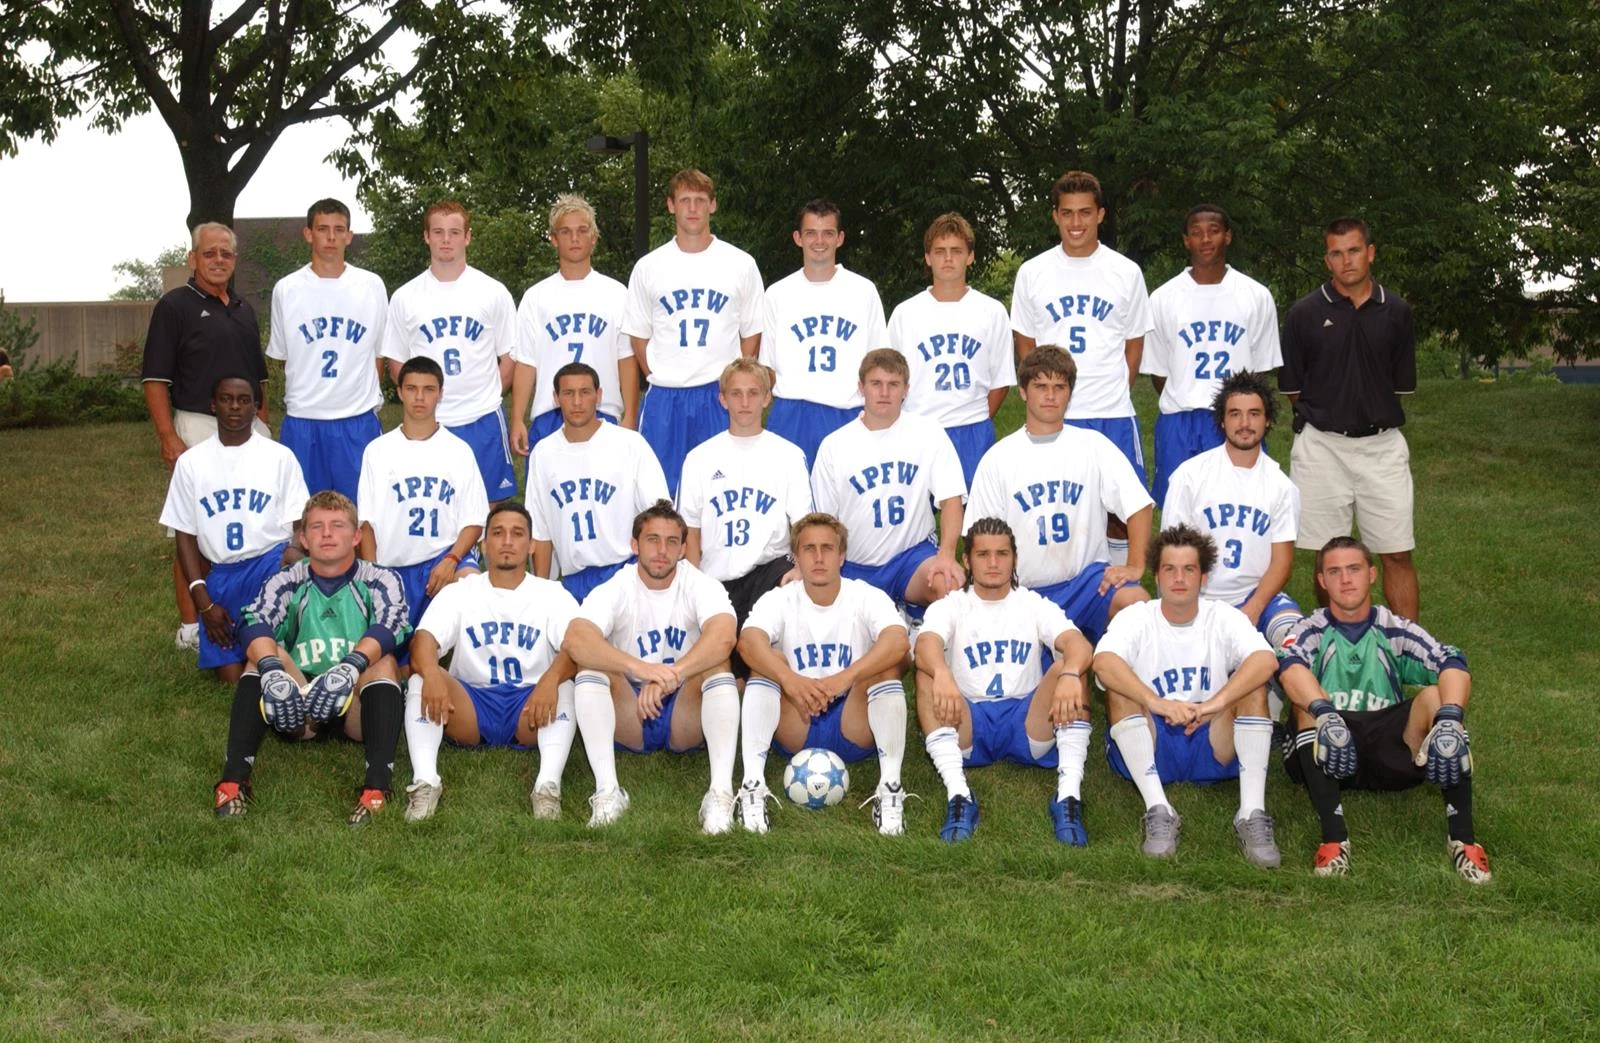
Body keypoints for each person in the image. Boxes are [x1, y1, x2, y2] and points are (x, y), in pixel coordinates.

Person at [1276, 536, 1489, 882]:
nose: (1345, 579)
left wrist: (1450, 717)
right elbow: (1289, 667)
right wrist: (1325, 711)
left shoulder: (1394, 628)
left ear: (1372, 574)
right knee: (1306, 710)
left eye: (1354, 569)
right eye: (1335, 571)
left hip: (1387, 750)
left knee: (1437, 699)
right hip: (1326, 748)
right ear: (1321, 581)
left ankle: (1464, 841)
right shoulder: (1310, 629)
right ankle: (1334, 841)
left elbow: (1451, 659)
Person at [212, 491, 410, 826]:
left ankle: (376, 789)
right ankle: (233, 782)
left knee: (385, 662)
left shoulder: (379, 578)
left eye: (337, 525)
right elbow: (252, 620)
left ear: (357, 535)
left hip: (356, 707)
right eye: (317, 527)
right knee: (262, 657)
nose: (327, 533)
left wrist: (349, 668)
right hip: (297, 708)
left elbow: (393, 624)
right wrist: (273, 672)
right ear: (303, 538)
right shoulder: (287, 579)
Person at [1094, 524, 1281, 866]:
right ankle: (1158, 809)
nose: (1179, 578)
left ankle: (1251, 812)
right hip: (1153, 742)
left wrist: (1214, 705)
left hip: (1211, 739)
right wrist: (1157, 703)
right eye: (1170, 569)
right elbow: (1103, 663)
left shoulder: (1222, 616)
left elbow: (1265, 660)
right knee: (1120, 688)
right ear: (1157, 576)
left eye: (1189, 569)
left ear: (1203, 577)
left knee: (1254, 685)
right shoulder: (1137, 617)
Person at [914, 518, 1094, 844]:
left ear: (1015, 559)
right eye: (983, 555)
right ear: (967, 561)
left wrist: (1068, 673)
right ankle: (959, 795)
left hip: (1027, 721)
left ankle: (1068, 797)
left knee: (1073, 667)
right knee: (927, 673)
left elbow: (1078, 644)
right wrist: (942, 674)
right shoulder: (952, 605)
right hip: (968, 719)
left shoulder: (1032, 603)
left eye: (1002, 554)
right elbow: (925, 643)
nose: (994, 563)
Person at [562, 501, 739, 831]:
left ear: (684, 549)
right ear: (634, 545)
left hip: (684, 712)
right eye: (652, 539)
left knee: (718, 667)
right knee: (591, 670)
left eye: (672, 542)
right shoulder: (618, 586)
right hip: (630, 711)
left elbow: (724, 636)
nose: (662, 550)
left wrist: (672, 676)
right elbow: (575, 639)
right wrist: (642, 670)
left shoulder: (700, 584)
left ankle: (720, 795)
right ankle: (608, 791)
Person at [402, 501, 581, 822]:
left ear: (530, 546)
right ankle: (425, 782)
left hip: (530, 706)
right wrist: (430, 672)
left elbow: (576, 648)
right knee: (421, 678)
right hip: (470, 704)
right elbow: (424, 641)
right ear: (484, 545)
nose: (507, 541)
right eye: (498, 533)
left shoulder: (551, 593)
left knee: (566, 682)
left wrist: (551, 680)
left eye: (517, 534)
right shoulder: (462, 591)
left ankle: (547, 786)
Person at [1281, 217, 1420, 620]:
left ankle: (1409, 649)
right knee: (1330, 556)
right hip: (1321, 446)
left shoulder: (1396, 311)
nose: (1347, 261)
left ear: (1370, 252)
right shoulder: (1304, 313)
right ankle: (1336, 649)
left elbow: (1398, 385)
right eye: (1337, 253)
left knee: (1396, 551)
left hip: (1382, 446)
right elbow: (1293, 387)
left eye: (1354, 250)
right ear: (1327, 260)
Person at [141, 221, 271, 650]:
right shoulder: (174, 306)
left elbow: (259, 378)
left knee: (250, 520)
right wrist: (167, 434)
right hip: (197, 424)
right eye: (209, 253)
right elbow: (155, 379)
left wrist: (263, 424)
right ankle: (190, 627)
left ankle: (254, 611)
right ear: (193, 259)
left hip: (248, 427)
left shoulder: (242, 308)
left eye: (226, 254)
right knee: (192, 527)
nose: (219, 260)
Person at [737, 513, 911, 834]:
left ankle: (889, 789)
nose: (819, 558)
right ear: (796, 558)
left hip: (853, 719)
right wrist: (792, 681)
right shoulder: (780, 599)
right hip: (796, 719)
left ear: (842, 556)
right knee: (767, 660)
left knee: (886, 666)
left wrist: (843, 678)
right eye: (809, 549)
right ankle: (752, 785)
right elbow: (748, 642)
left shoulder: (864, 595)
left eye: (828, 548)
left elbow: (899, 641)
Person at [965, 346, 1151, 643]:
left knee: (1136, 603)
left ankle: (1116, 668)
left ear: (1070, 393)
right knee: (1056, 679)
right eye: (1040, 386)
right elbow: (978, 536)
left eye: (1059, 387)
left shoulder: (1094, 446)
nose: (1050, 395)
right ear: (1023, 392)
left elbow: (1139, 506)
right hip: (1024, 591)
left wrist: (1135, 565)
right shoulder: (998, 458)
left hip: (1087, 584)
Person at [1009, 170, 1152, 538]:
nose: (1076, 222)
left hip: (1111, 412)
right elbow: (1025, 342)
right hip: (1054, 414)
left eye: (1085, 212)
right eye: (1068, 212)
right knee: (1057, 510)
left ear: (1100, 215)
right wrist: (1040, 394)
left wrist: (1116, 386)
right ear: (1055, 215)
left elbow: (1133, 343)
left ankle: (1119, 588)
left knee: (1122, 517)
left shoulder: (1126, 272)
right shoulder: (1033, 272)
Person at [621, 169, 765, 495]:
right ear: (671, 205)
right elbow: (638, 334)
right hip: (666, 396)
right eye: (685, 200)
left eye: (700, 200)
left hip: (718, 394)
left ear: (712, 205)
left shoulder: (740, 263)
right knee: (660, 494)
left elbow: (752, 331)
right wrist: (656, 372)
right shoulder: (649, 266)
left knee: (724, 489)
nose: (693, 209)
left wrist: (736, 382)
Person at [159, 376, 308, 684]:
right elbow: (184, 535)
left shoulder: (279, 457)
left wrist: (293, 551)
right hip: (223, 575)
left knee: (271, 664)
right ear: (213, 405)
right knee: (233, 678)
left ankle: (287, 639)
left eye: (243, 400)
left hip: (268, 565)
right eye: (226, 399)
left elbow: (299, 522)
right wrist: (204, 601)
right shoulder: (191, 463)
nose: (235, 407)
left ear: (256, 407)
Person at [677, 358, 814, 679]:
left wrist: (799, 570)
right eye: (736, 394)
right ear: (722, 398)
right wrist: (693, 586)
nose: (745, 402)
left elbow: (805, 526)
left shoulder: (788, 455)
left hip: (770, 573)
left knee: (767, 665)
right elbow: (690, 533)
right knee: (721, 676)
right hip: (716, 578)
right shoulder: (699, 458)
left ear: (768, 397)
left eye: (754, 393)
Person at [1142, 205, 1282, 506]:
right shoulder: (1163, 298)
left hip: (1235, 417)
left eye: (1214, 231)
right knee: (1179, 512)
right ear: (1186, 241)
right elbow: (1159, 372)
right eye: (1196, 232)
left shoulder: (1255, 296)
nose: (1205, 239)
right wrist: (1188, 395)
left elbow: (1259, 370)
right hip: (1180, 420)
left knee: (1240, 504)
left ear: (1228, 236)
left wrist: (1241, 410)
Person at [810, 348, 966, 614]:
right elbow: (823, 521)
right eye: (876, 384)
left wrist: (947, 555)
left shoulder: (928, 433)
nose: (884, 392)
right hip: (854, 564)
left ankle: (922, 625)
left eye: (893, 384)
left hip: (911, 558)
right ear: (861, 388)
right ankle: (896, 617)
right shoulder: (834, 445)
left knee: (950, 583)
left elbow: (951, 499)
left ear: (906, 389)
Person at [382, 200, 518, 502]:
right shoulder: (406, 296)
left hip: (481, 418)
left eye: (454, 232)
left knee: (492, 507)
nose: (446, 240)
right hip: (430, 420)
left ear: (467, 237)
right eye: (439, 232)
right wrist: (421, 405)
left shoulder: (492, 291)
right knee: (431, 500)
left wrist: (488, 396)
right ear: (426, 236)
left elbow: (509, 357)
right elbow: (396, 362)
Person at [1160, 371, 1303, 649]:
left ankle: (1275, 681)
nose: (1245, 423)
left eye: (1254, 414)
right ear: (1222, 421)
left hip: (1258, 596)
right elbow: (1170, 554)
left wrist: (1253, 609)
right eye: (1235, 414)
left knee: (1296, 640)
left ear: (1268, 420)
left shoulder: (1281, 486)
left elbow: (1281, 562)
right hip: (1198, 598)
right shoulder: (1189, 476)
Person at [356, 357, 486, 651]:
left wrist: (452, 560)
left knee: (474, 586)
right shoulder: (377, 451)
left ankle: (472, 668)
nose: (419, 397)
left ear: (440, 393)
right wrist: (374, 576)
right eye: (412, 388)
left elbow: (474, 521)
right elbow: (367, 526)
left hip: (443, 558)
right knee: (401, 658)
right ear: (399, 392)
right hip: (396, 567)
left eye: (428, 389)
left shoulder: (459, 451)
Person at [266, 198, 389, 501]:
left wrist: (361, 398)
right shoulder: (287, 289)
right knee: (303, 512)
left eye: (339, 229)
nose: (331, 238)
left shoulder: (371, 285)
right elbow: (284, 358)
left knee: (363, 509)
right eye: (323, 229)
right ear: (308, 233)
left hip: (356, 419)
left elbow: (379, 353)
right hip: (304, 418)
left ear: (349, 235)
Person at [888, 212, 1016, 487]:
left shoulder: (992, 311)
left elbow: (1001, 380)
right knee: (915, 516)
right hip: (918, 429)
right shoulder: (905, 313)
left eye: (956, 251)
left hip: (972, 429)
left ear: (970, 256)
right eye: (940, 251)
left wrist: (976, 419)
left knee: (976, 520)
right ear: (927, 257)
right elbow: (891, 378)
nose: (948, 258)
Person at [759, 199, 887, 468]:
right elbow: (766, 366)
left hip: (846, 411)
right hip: (792, 412)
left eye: (828, 233)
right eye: (811, 233)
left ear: (840, 238)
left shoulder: (863, 291)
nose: (819, 241)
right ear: (798, 238)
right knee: (791, 503)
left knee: (849, 504)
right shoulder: (778, 294)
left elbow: (879, 361)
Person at [527, 362, 671, 601]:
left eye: (585, 392)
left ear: (599, 395)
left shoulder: (630, 444)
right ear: (555, 398)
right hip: (574, 579)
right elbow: (541, 531)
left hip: (625, 572)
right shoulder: (543, 453)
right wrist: (542, 593)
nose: (577, 402)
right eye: (568, 393)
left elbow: (659, 515)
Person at [510, 194, 640, 457]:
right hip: (550, 413)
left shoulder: (616, 293)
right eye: (565, 232)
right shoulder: (536, 297)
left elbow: (626, 358)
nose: (575, 238)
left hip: (604, 412)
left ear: (594, 237)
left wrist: (630, 415)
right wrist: (516, 418)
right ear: (553, 239)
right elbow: (526, 362)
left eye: (582, 230)